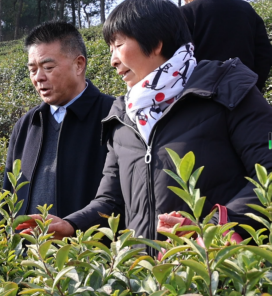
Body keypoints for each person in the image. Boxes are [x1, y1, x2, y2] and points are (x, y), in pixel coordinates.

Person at [17, 0, 272, 255]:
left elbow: (268, 174)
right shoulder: (123, 116)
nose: (112, 61)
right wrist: (71, 224)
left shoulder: (230, 92)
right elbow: (110, 200)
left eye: (118, 45)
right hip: (147, 282)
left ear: (156, 42)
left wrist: (212, 228)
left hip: (213, 275)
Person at [3, 21, 114, 220]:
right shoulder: (26, 126)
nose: (38, 77)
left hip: (87, 248)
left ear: (79, 64)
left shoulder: (112, 115)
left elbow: (119, 197)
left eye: (48, 67)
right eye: (32, 70)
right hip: (30, 250)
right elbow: (8, 199)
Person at [180, 0, 272, 92]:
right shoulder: (246, 9)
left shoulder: (185, 13)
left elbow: (176, 57)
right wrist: (254, 86)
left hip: (198, 92)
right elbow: (264, 54)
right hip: (242, 91)